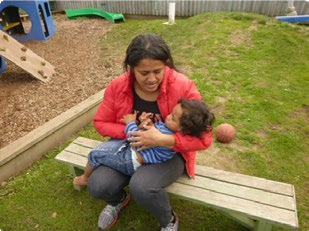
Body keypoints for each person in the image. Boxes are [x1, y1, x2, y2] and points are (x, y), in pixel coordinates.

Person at [87, 33, 213, 231]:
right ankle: (119, 200)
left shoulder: (182, 86)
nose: (152, 79)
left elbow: (204, 138)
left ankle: (168, 220)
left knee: (142, 186)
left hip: (169, 153)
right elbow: (100, 122)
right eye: (144, 73)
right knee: (97, 185)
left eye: (158, 71)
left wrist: (164, 139)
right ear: (131, 68)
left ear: (166, 65)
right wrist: (135, 133)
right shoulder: (118, 86)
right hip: (128, 148)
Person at [73, 99, 215, 186]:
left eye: (173, 118)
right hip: (131, 153)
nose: (168, 117)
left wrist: (130, 122)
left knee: (95, 154)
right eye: (171, 113)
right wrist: (145, 124)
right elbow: (151, 132)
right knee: (104, 150)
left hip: (129, 159)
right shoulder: (172, 131)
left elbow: (135, 138)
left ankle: (85, 178)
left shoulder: (167, 135)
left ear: (183, 129)